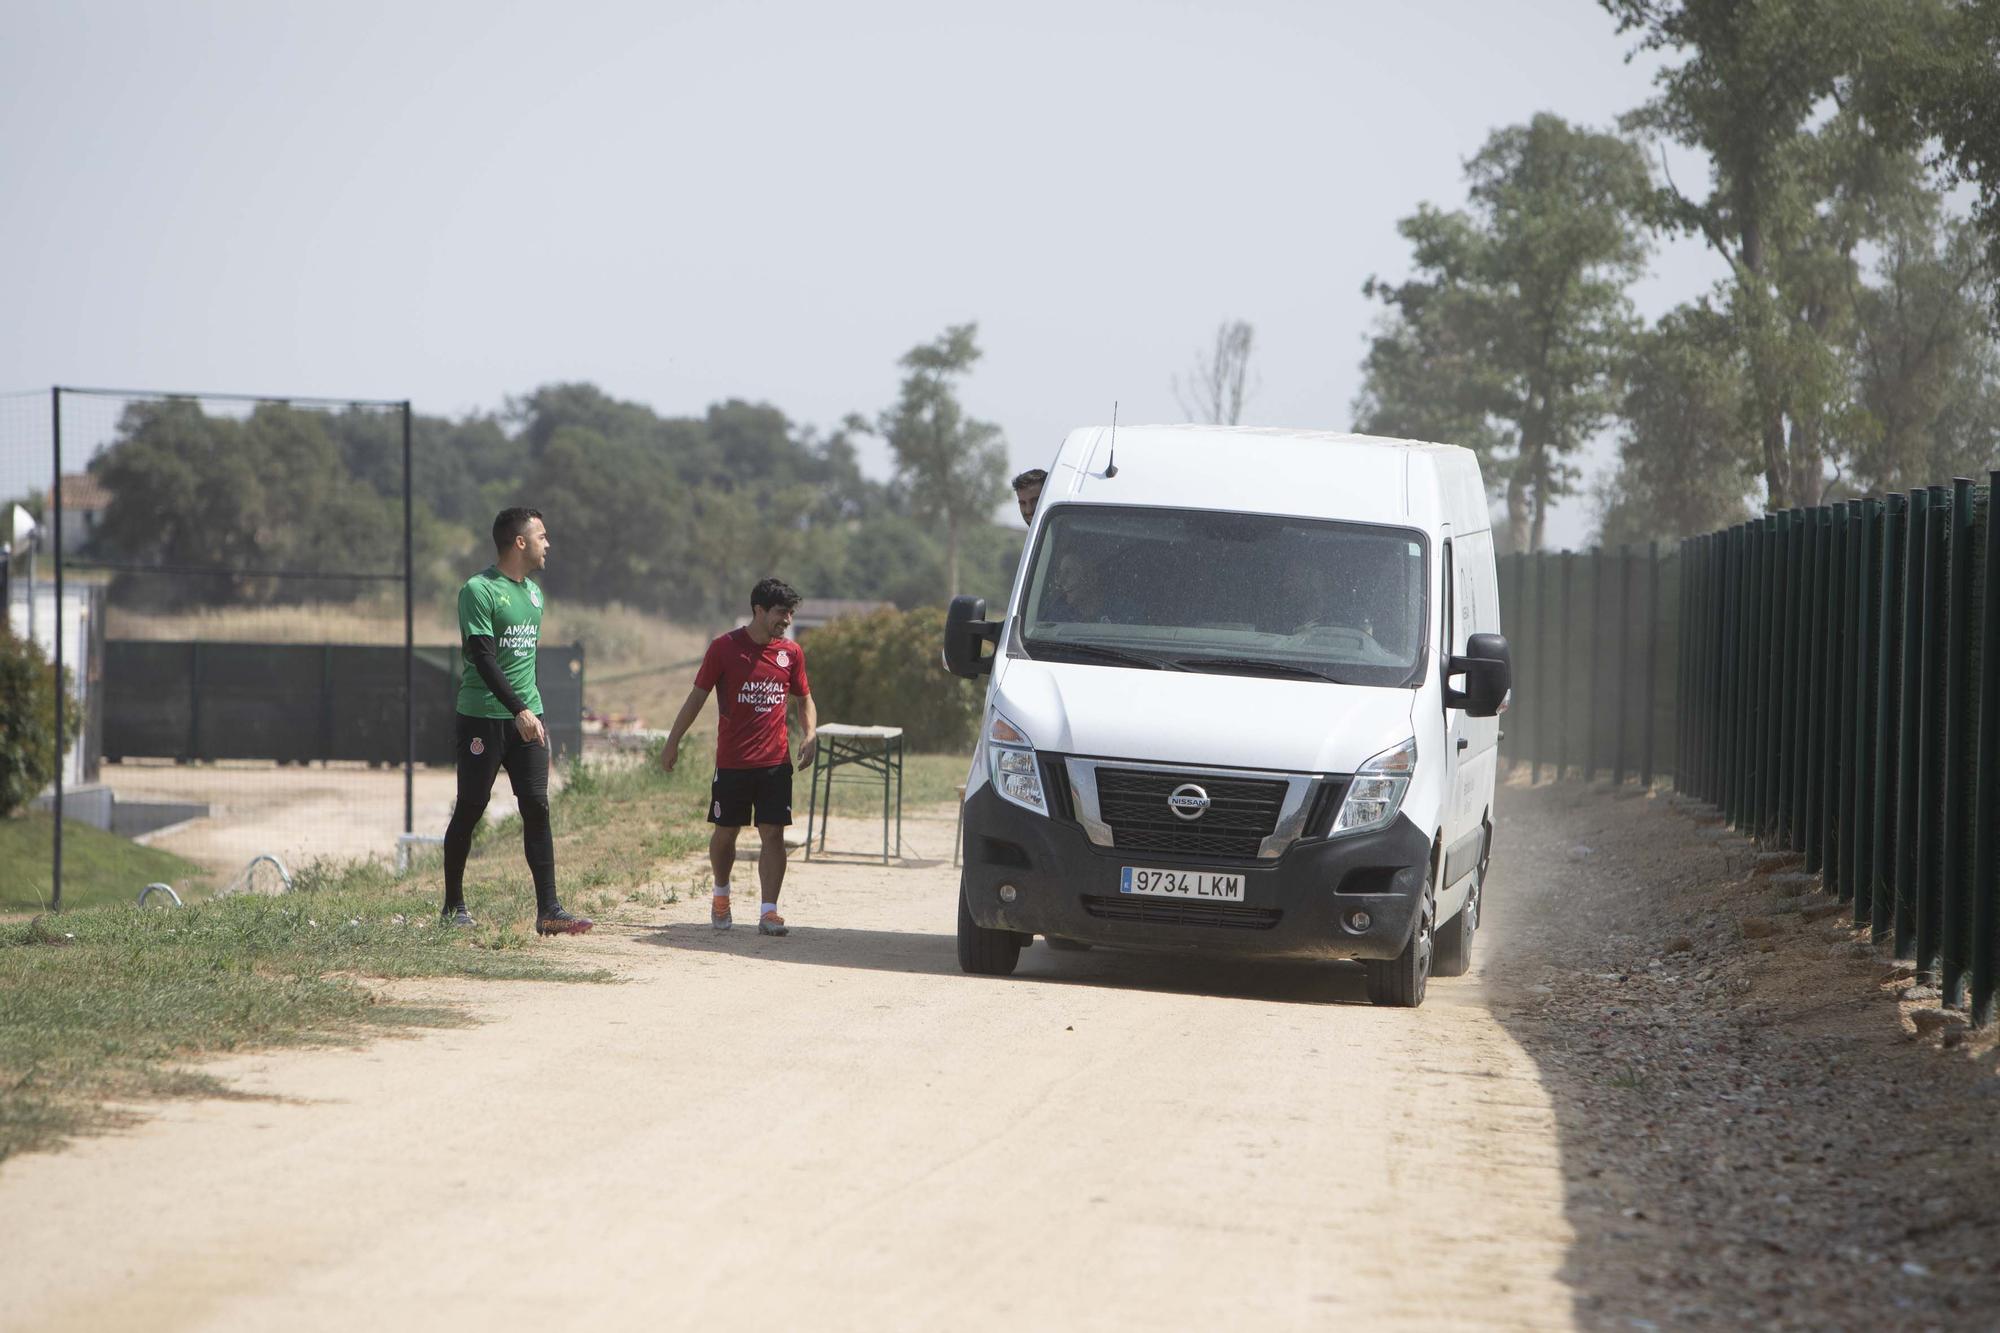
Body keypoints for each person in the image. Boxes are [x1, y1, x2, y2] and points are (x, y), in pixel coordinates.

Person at [440, 507, 592, 934]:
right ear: (519, 542)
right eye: (542, 536)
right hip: (483, 718)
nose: (549, 544)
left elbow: (523, 662)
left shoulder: (535, 595)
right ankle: (453, 908)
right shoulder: (478, 590)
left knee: (538, 808)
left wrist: (532, 710)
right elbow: (483, 659)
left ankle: (549, 911)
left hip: (528, 718)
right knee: (471, 806)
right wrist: (518, 709)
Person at [661, 577, 817, 936]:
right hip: (733, 762)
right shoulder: (724, 648)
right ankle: (721, 894)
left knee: (773, 834)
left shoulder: (790, 653)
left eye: (791, 613)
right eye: (781, 612)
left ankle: (769, 912)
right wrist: (673, 742)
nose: (787, 620)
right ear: (758, 610)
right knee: (726, 832)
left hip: (776, 762)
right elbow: (697, 697)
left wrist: (809, 732)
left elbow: (804, 698)